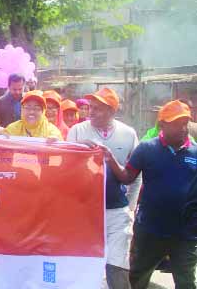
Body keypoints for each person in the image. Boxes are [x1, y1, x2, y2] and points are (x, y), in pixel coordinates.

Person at [104, 100, 197, 289]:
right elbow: (127, 177)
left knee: (186, 281)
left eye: (185, 123)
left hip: (185, 233)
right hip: (150, 230)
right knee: (138, 277)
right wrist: (110, 159)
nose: (183, 128)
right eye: (177, 124)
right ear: (162, 125)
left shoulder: (195, 152)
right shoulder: (147, 149)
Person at [67, 87, 140, 289]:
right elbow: (66, 169)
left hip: (117, 210)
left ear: (112, 111)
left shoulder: (128, 133)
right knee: (87, 265)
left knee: (117, 264)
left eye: (97, 108)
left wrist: (131, 207)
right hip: (85, 211)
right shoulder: (77, 131)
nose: (90, 112)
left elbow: (135, 173)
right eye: (90, 107)